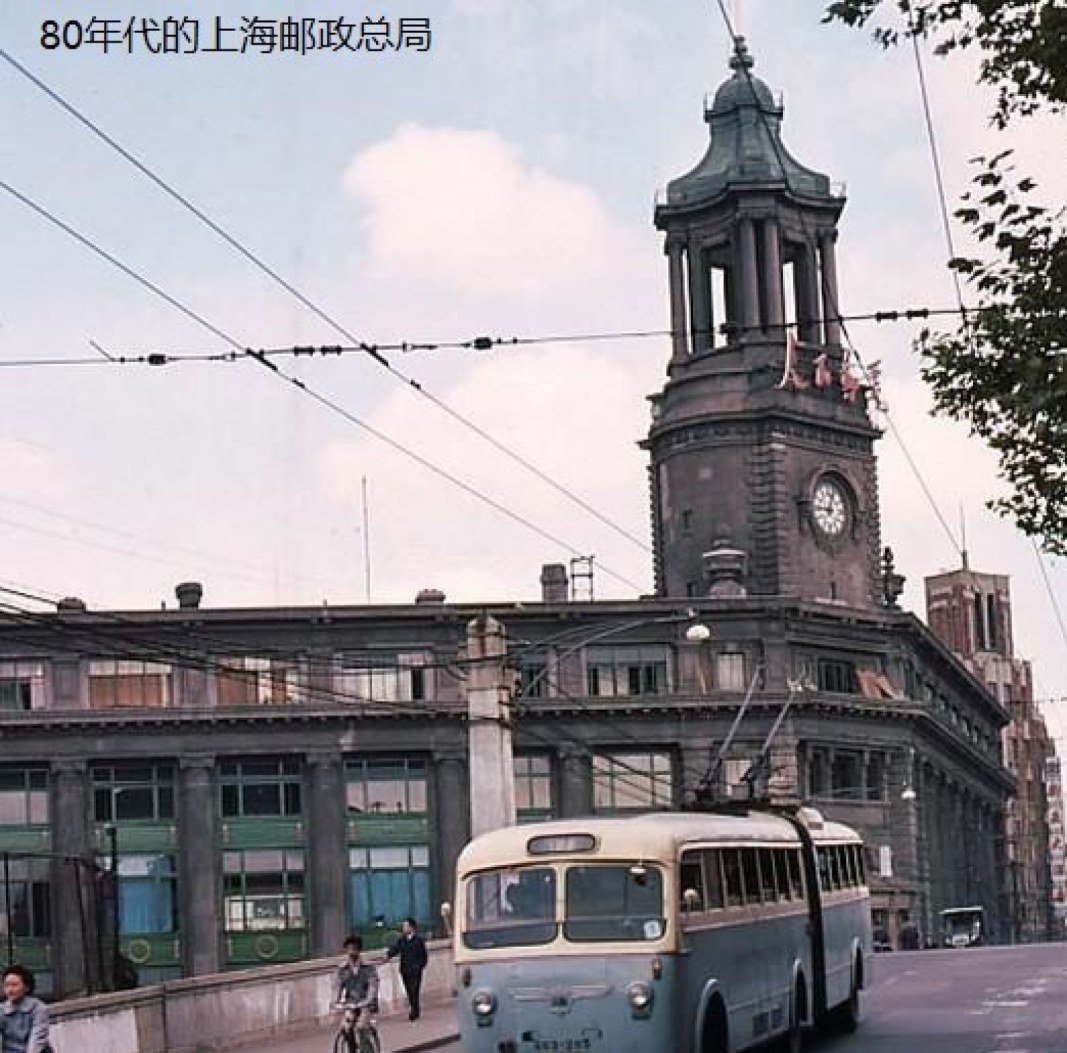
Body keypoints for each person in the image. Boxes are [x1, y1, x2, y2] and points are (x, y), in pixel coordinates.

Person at [333, 935, 379, 1036]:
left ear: (359, 950)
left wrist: (368, 1000)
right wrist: (335, 1001)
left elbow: (373, 986)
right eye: (348, 949)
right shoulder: (342, 968)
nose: (351, 952)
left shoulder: (368, 967)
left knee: (361, 1027)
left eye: (353, 948)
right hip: (350, 1002)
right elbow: (338, 986)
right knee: (346, 1027)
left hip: (365, 1003)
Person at [0, 964, 52, 1053]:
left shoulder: (38, 1008)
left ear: (26, 987)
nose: (10, 990)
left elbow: (37, 1039)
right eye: (7, 985)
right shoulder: (1, 1010)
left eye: (14, 985)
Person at [386, 917, 428, 1021]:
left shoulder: (419, 940)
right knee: (409, 990)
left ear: (411, 927)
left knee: (414, 990)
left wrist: (420, 966)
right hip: (405, 969)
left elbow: (424, 955)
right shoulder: (402, 940)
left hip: (415, 970)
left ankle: (414, 1010)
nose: (403, 928)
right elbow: (395, 950)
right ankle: (415, 1009)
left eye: (405, 926)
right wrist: (387, 955)